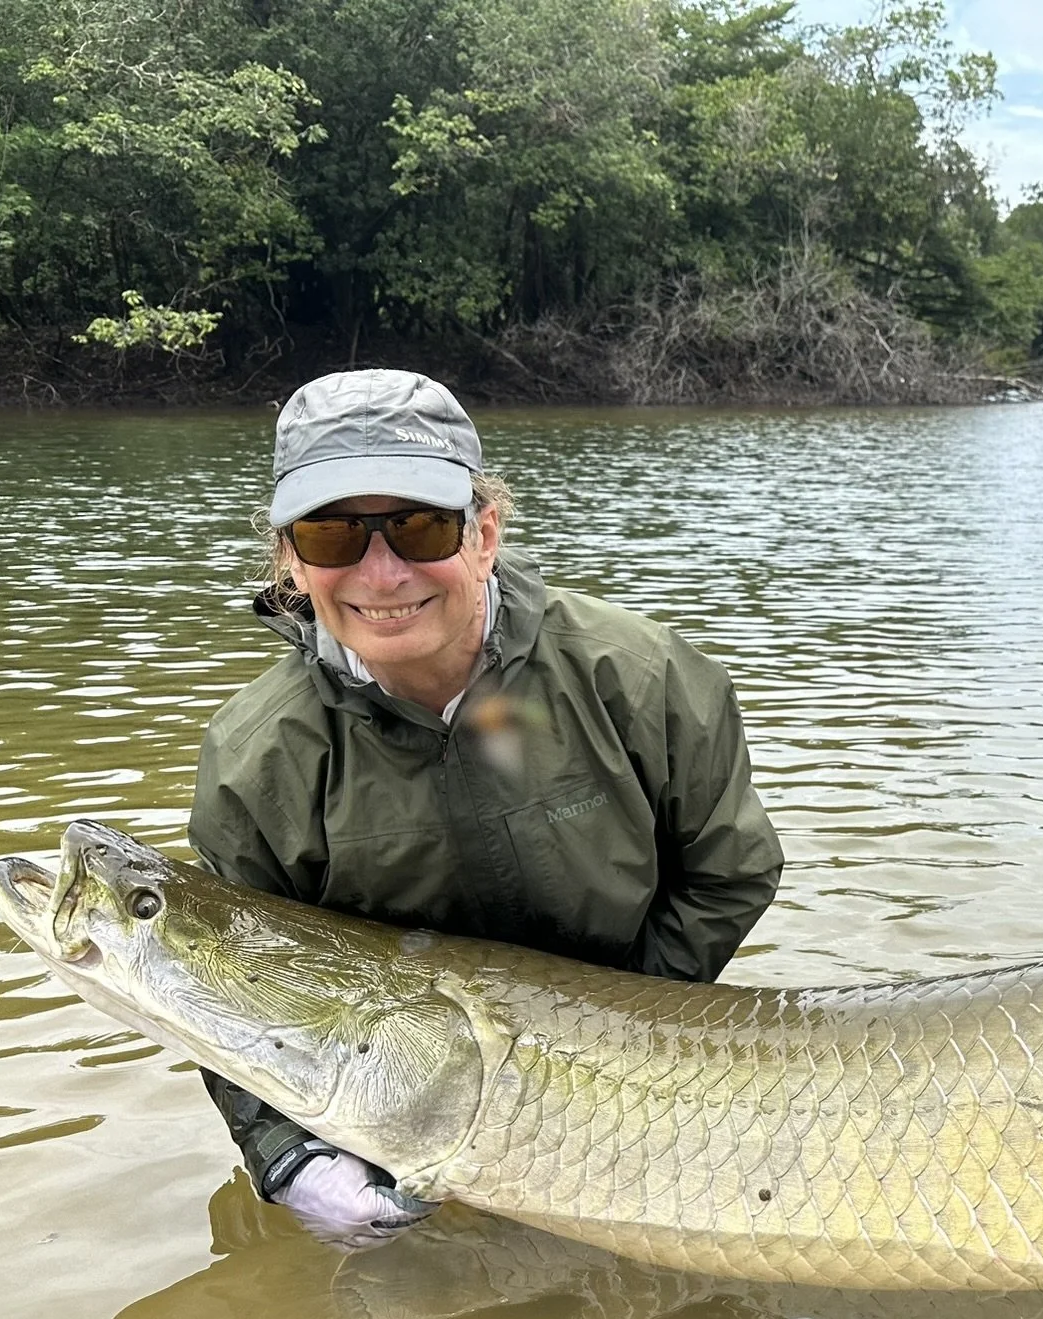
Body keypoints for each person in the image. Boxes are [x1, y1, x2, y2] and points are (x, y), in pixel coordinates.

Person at [189, 369, 784, 1249]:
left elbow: (728, 872)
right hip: (402, 1127)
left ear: (485, 534)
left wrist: (608, 1048)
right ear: (290, 560)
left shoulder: (640, 677)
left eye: (419, 527)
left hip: (653, 1078)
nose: (382, 574)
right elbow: (233, 1000)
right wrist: (288, 1158)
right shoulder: (258, 760)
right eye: (332, 535)